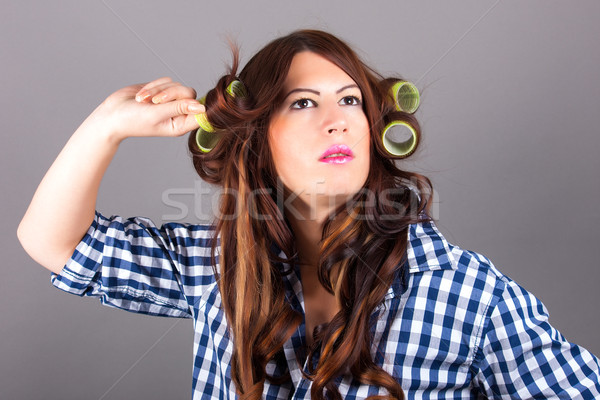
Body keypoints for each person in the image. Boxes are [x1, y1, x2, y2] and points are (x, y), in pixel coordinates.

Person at [17, 30, 600, 400]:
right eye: (303, 102)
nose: (339, 118)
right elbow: (55, 242)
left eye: (351, 100)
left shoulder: (470, 294)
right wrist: (106, 127)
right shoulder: (213, 266)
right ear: (257, 137)